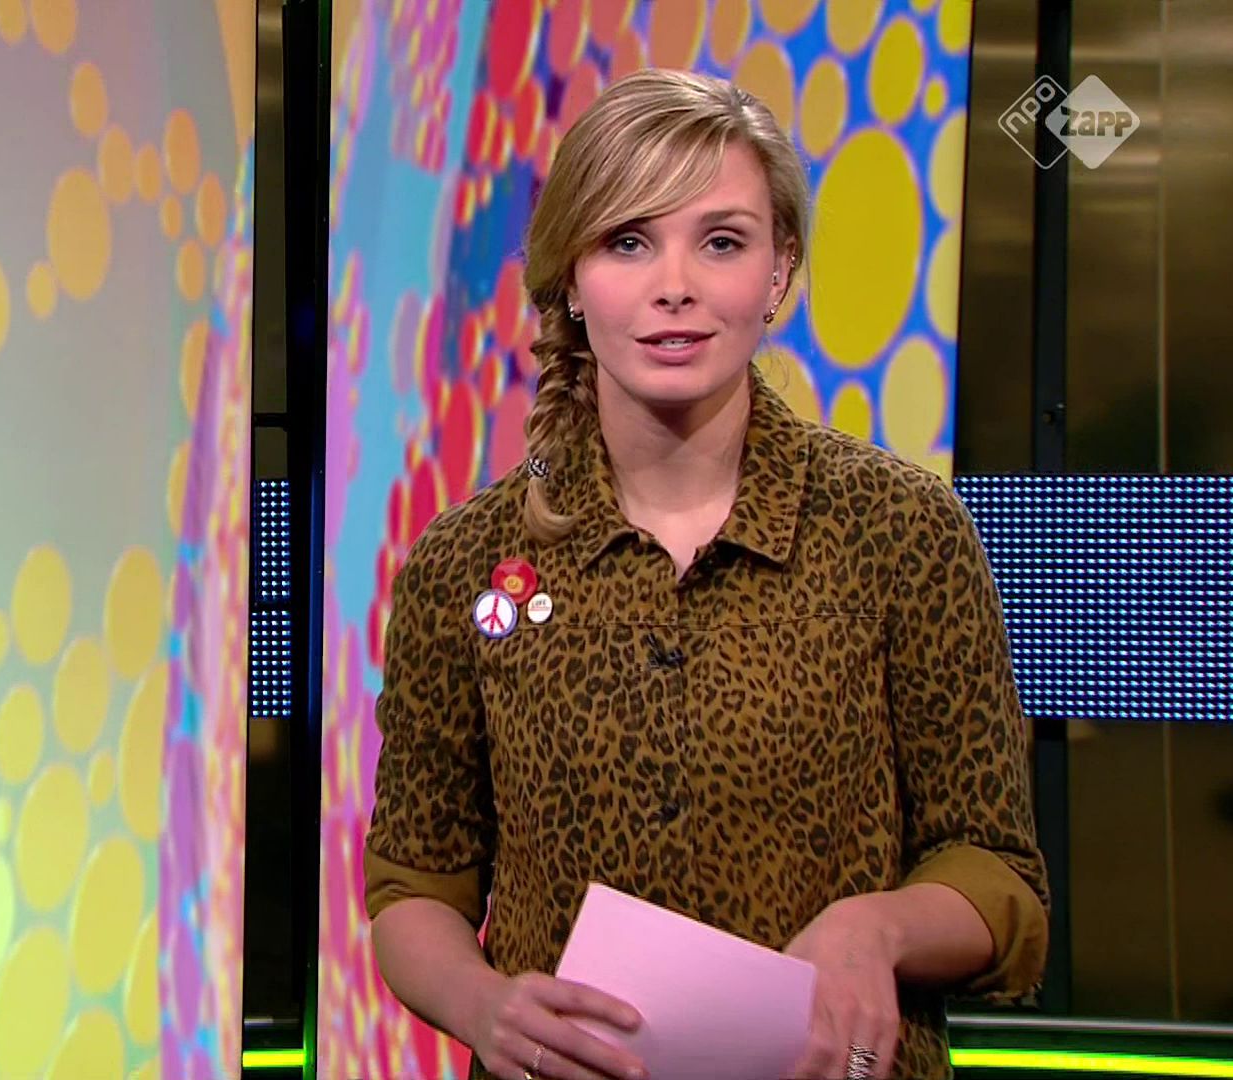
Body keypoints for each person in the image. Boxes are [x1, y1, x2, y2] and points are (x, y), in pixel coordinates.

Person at [363, 68, 1050, 1080]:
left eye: (721, 241)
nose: (674, 284)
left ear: (779, 272)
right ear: (570, 280)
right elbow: (415, 885)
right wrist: (484, 1006)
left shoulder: (899, 530)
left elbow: (998, 873)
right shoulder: (466, 562)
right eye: (627, 240)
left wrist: (879, 928)